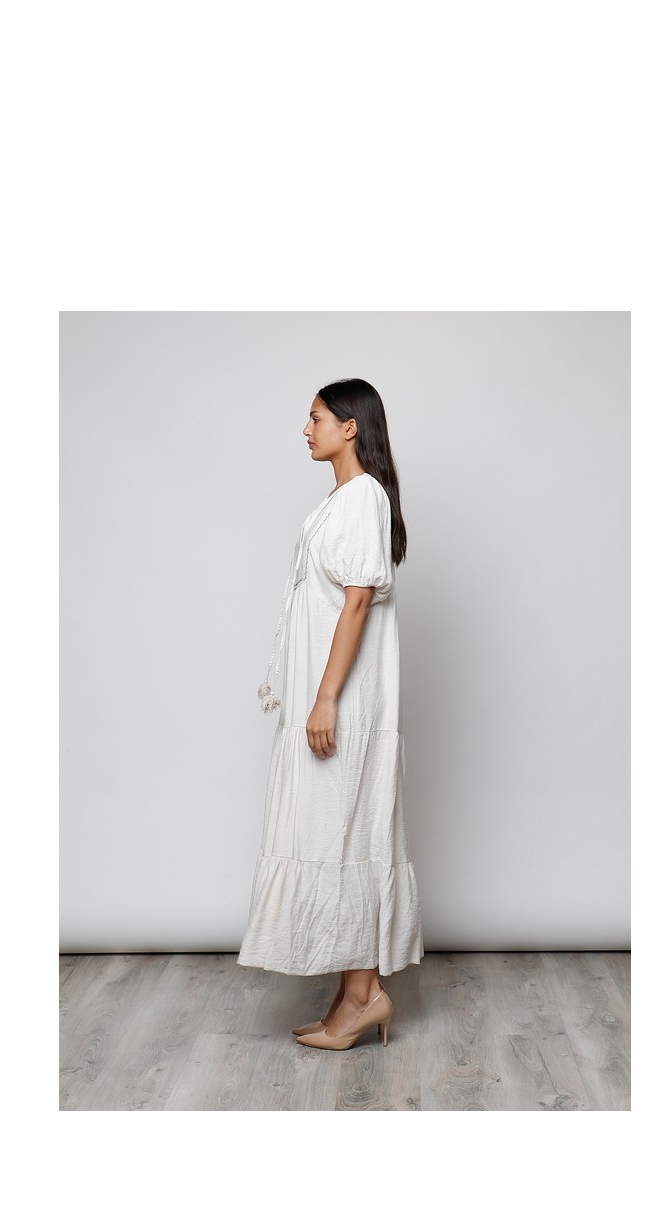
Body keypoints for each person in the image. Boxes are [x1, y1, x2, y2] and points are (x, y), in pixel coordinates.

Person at [237, 378, 424, 1049]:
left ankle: (363, 998)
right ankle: (355, 995)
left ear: (350, 427)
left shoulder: (364, 496)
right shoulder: (341, 501)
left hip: (344, 702)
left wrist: (325, 698)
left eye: (315, 418)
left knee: (346, 836)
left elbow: (357, 599)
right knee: (333, 837)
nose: (305, 428)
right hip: (330, 698)